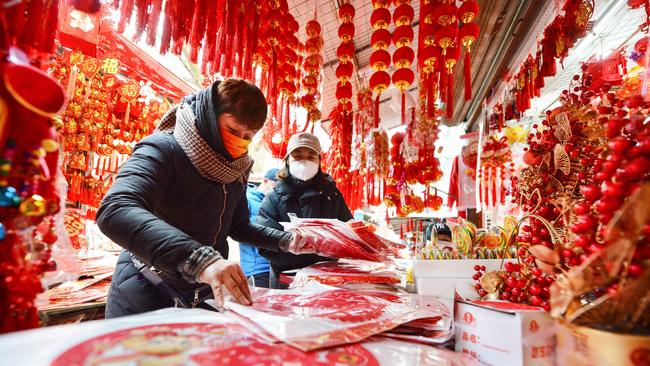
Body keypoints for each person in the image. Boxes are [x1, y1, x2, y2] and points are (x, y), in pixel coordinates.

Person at [96, 79, 295, 318]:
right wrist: (200, 259)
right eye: (232, 130)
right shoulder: (163, 148)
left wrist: (290, 241)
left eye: (247, 136)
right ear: (209, 117)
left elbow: (238, 227)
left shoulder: (235, 170)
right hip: (146, 289)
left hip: (202, 294)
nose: (239, 140)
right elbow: (115, 209)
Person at [257, 132, 353, 289]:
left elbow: (348, 228)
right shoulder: (274, 197)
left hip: (327, 282)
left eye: (311, 156)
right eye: (298, 156)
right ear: (288, 160)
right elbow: (263, 241)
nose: (304, 162)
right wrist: (288, 244)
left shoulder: (332, 194)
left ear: (319, 161)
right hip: (287, 282)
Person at [238, 168, 278, 287]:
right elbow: (240, 230)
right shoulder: (247, 200)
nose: (278, 191)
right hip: (257, 269)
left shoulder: (275, 203)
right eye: (276, 187)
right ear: (266, 181)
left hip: (274, 266)